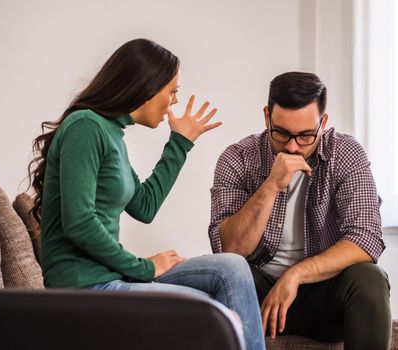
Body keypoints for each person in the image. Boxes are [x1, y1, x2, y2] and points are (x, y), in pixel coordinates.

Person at [28, 38, 265, 350]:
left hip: (110, 277)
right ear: (146, 87)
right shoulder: (86, 126)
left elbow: (144, 206)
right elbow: (80, 221)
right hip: (85, 286)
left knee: (233, 266)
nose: (173, 103)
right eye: (172, 92)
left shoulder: (112, 133)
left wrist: (180, 142)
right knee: (208, 312)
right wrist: (143, 267)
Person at [209, 72, 391, 349]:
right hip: (256, 297)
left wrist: (295, 275)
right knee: (226, 272)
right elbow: (229, 250)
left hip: (322, 296)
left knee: (369, 278)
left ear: (323, 123)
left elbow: (366, 239)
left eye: (306, 135)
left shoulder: (345, 153)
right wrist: (271, 185)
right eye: (281, 133)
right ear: (266, 117)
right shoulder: (237, 158)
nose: (292, 146)